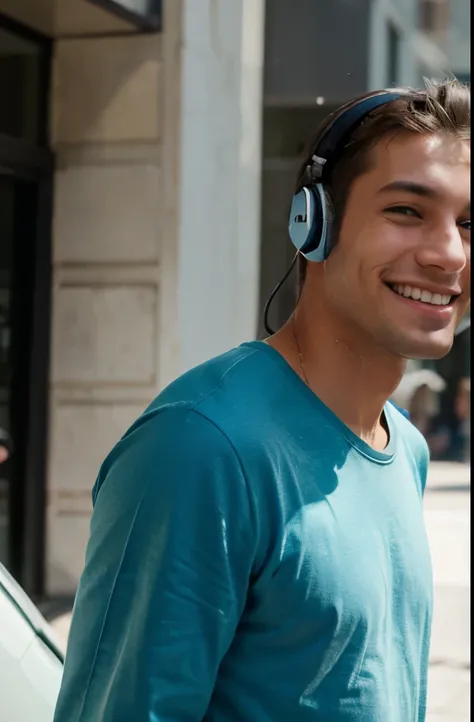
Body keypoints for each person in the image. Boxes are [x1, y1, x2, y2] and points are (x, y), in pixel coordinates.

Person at [54, 80, 471, 722]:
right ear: (314, 224)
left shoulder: (405, 446)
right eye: (407, 211)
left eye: (469, 224)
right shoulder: (201, 447)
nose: (448, 253)